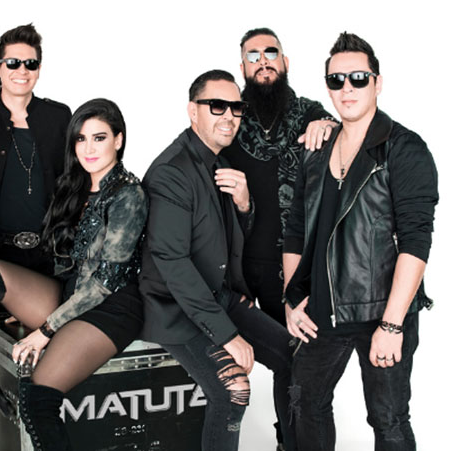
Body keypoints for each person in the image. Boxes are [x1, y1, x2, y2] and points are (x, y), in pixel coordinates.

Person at [0, 98, 147, 450]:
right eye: (81, 139)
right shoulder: (74, 187)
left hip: (111, 308)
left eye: (99, 138)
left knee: (36, 399)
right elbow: (61, 265)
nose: (88, 148)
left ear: (118, 140)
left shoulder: (128, 195)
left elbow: (104, 283)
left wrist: (45, 330)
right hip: (70, 296)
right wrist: (21, 300)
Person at [282, 32, 438, 451]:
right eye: (336, 80)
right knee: (305, 405)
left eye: (358, 78)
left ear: (377, 83)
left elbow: (415, 243)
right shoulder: (315, 150)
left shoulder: (404, 148)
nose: (346, 88)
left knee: (388, 420)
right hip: (321, 311)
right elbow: (296, 230)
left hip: (380, 310)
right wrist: (291, 298)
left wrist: (392, 325)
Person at [139, 70, 294, 451]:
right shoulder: (171, 172)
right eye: (217, 106)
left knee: (296, 357)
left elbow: (221, 240)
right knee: (233, 389)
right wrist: (227, 335)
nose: (229, 116)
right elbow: (172, 261)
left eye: (236, 108)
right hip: (174, 306)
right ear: (193, 111)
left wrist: (244, 205)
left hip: (216, 296)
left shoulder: (218, 161)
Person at [220, 27, 336, 451]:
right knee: (285, 360)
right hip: (245, 268)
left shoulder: (310, 114)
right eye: (253, 55)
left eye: (271, 52)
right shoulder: (229, 121)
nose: (263, 60)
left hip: (299, 265)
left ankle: (291, 442)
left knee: (301, 365)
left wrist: (330, 126)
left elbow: (345, 145)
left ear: (285, 62)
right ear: (242, 67)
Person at [0, 23, 71, 274]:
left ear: (39, 70)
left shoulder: (59, 117)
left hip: (50, 254)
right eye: (12, 63)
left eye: (30, 64)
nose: (22, 70)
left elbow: (74, 179)